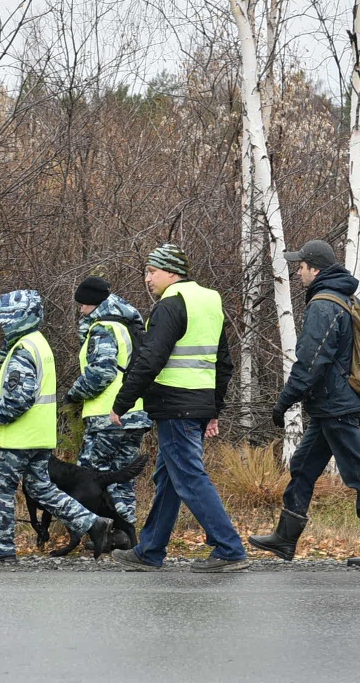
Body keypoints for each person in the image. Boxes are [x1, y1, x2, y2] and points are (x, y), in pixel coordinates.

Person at [247, 239, 360, 566]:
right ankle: (285, 539)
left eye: (300, 266)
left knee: (357, 473)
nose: (298, 272)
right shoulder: (340, 298)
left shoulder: (323, 305)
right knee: (302, 466)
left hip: (337, 407)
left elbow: (311, 361)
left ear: (314, 269)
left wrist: (285, 401)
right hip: (331, 405)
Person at [109, 244, 249, 573]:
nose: (147, 279)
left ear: (172, 273)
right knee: (170, 479)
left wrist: (122, 402)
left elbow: (150, 359)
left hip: (176, 405)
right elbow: (223, 362)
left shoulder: (171, 305)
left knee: (188, 477)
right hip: (196, 405)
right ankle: (150, 551)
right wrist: (214, 406)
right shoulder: (210, 301)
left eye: (152, 272)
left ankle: (229, 549)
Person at [0, 289, 116, 563]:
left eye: (5, 316)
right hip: (38, 435)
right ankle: (93, 524)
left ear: (17, 317)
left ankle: (1, 549)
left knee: (0, 489)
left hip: (18, 437)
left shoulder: (23, 348)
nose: (2, 321)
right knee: (42, 488)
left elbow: (18, 398)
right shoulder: (38, 342)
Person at [63, 275, 151, 524]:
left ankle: (97, 530)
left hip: (107, 417)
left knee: (90, 477)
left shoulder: (103, 328)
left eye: (83, 304)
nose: (80, 309)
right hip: (136, 414)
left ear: (93, 303)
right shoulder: (126, 326)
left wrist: (73, 395)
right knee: (122, 478)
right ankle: (124, 531)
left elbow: (101, 373)